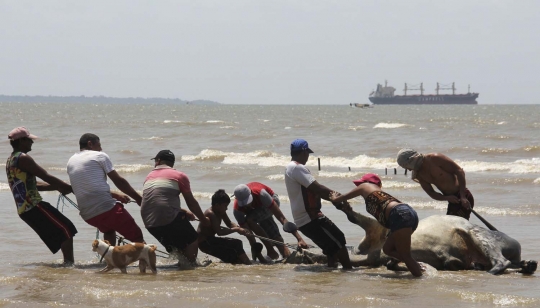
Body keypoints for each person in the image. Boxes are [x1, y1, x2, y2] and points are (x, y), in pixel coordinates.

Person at [6, 127, 77, 264]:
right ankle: (69, 265)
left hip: (24, 210)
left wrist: (58, 187)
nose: (32, 143)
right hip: (33, 205)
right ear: (21, 141)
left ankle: (67, 264)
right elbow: (45, 176)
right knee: (66, 229)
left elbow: (34, 185)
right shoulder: (23, 158)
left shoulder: (11, 159)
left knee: (62, 232)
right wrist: (66, 187)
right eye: (29, 140)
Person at [328, 173, 423, 277]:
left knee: (406, 255)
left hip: (400, 215)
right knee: (388, 249)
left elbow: (342, 197)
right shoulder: (381, 194)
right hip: (407, 214)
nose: (358, 186)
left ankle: (419, 278)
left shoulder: (365, 186)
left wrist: (333, 198)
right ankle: (416, 266)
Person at [284, 138, 357, 269]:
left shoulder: (290, 168)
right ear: (304, 152)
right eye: (307, 154)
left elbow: (315, 191)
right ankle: (348, 270)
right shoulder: (297, 168)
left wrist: (335, 199)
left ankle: (331, 269)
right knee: (338, 239)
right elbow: (317, 188)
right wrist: (339, 197)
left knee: (330, 247)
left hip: (304, 218)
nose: (307, 157)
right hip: (310, 217)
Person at [67, 133, 144, 246]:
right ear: (90, 143)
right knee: (137, 238)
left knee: (109, 230)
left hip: (88, 215)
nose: (101, 148)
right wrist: (138, 198)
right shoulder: (99, 156)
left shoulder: (71, 160)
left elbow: (88, 186)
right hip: (107, 209)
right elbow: (119, 181)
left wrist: (115, 195)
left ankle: (109, 261)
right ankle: (146, 263)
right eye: (99, 145)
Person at [140, 150, 211, 264]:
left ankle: (181, 267)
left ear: (158, 161)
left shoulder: (149, 176)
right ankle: (191, 268)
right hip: (167, 219)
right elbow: (191, 202)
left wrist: (182, 211)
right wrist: (204, 220)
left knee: (177, 247)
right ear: (172, 163)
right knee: (192, 239)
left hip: (149, 223)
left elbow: (156, 201)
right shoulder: (179, 176)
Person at [233, 182, 308, 260]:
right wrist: (257, 255)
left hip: (271, 199)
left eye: (248, 202)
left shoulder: (262, 195)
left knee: (250, 219)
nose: (246, 205)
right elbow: (249, 235)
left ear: (251, 193)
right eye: (243, 204)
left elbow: (281, 217)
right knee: (272, 234)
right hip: (255, 210)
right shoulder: (237, 211)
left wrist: (299, 239)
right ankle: (282, 255)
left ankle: (271, 251)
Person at [397, 149, 473, 220]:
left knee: (457, 227)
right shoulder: (419, 175)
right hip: (452, 200)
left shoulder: (435, 158)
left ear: (412, 160)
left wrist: (463, 196)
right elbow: (431, 193)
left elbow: (459, 171)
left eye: (408, 166)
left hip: (464, 196)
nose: (409, 169)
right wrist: (446, 198)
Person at [198, 189, 260, 265]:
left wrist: (240, 229)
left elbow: (229, 223)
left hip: (211, 240)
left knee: (234, 253)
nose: (226, 208)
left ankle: (243, 262)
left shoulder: (221, 211)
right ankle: (248, 264)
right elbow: (220, 232)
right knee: (236, 244)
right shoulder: (211, 214)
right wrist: (236, 229)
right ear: (217, 205)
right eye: (225, 206)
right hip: (205, 243)